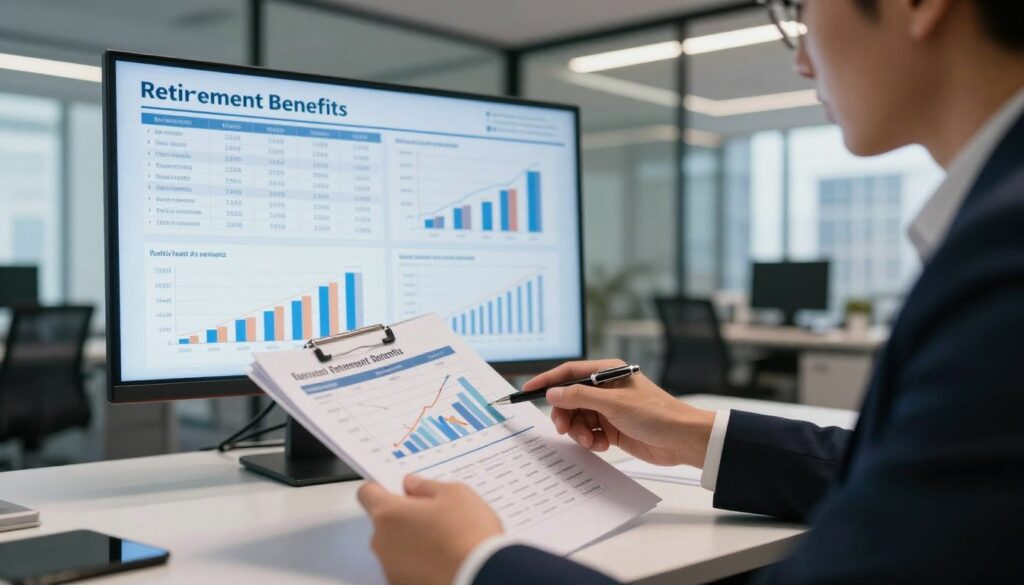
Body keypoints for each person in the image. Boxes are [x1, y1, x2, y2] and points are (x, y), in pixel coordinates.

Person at [357, 0, 1024, 583]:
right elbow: (927, 480)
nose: (800, 60)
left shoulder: (1003, 258)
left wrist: (477, 565)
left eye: (800, 9)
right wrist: (689, 430)